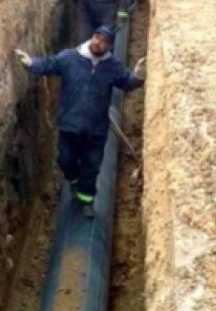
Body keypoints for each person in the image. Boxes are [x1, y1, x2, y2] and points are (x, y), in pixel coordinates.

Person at [14, 26, 146, 218]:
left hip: (96, 129)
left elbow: (127, 83)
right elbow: (50, 64)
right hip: (69, 125)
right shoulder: (70, 58)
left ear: (109, 47)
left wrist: (138, 78)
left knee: (91, 167)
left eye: (103, 42)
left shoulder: (112, 67)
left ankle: (86, 200)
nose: (98, 43)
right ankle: (74, 180)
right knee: (65, 160)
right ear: (91, 37)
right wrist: (31, 63)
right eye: (96, 38)